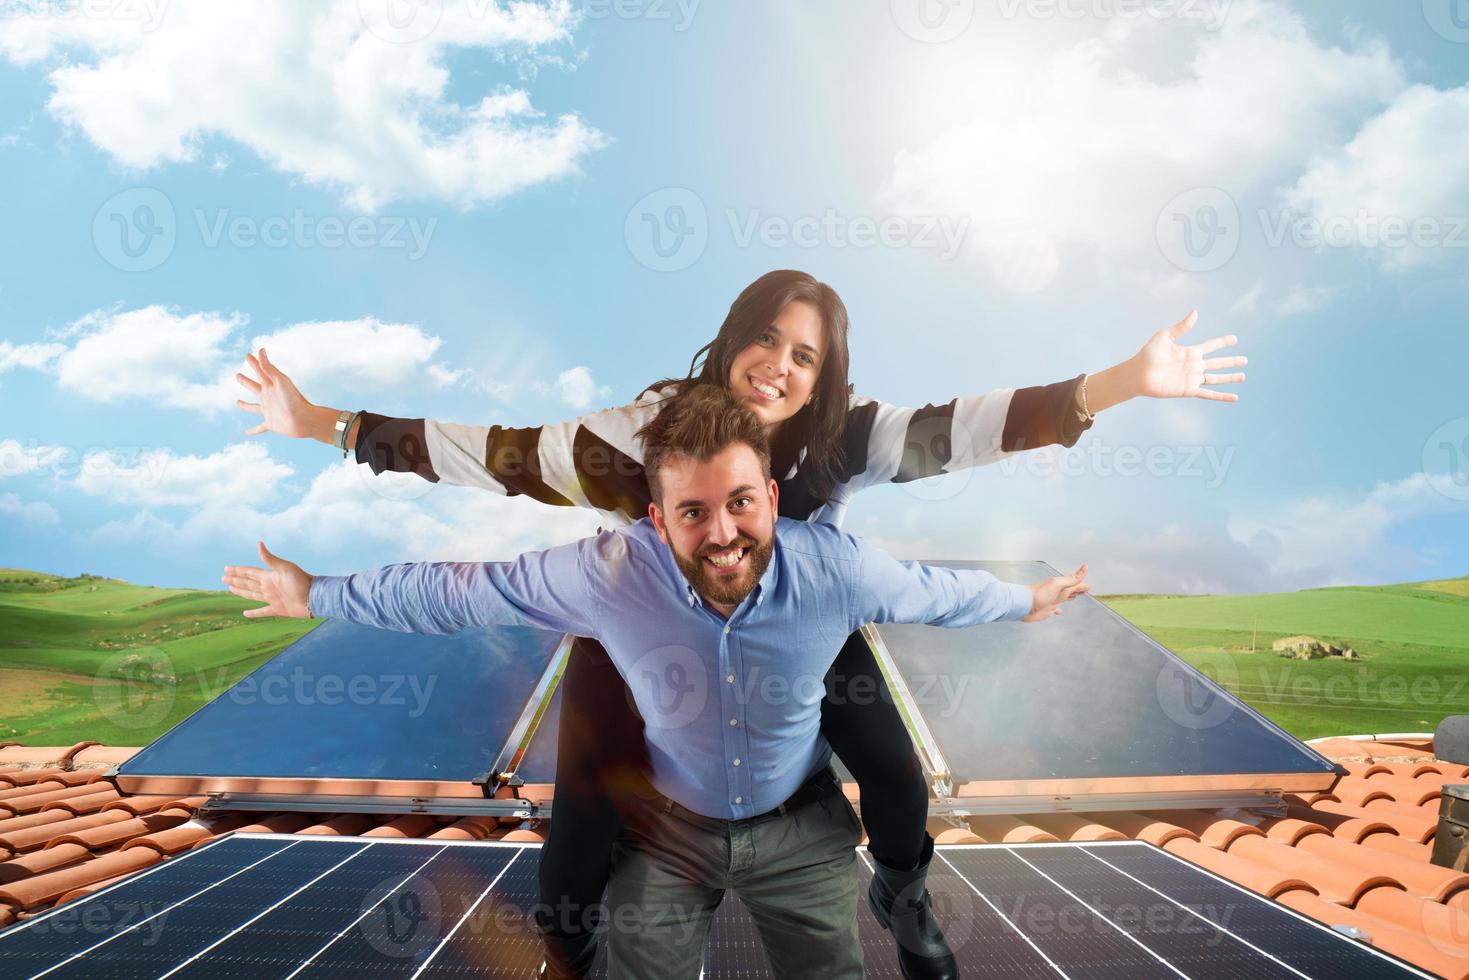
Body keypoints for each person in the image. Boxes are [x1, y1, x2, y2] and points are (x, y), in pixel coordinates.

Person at [235, 269, 1245, 979]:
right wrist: (329, 424)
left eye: (803, 353)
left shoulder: (846, 439)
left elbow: (967, 429)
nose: (777, 364)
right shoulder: (635, 434)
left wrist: (1120, 381)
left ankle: (903, 890)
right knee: (583, 812)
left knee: (891, 771)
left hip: (796, 612)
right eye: (763, 335)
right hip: (640, 617)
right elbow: (492, 453)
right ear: (728, 339)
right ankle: (570, 952)